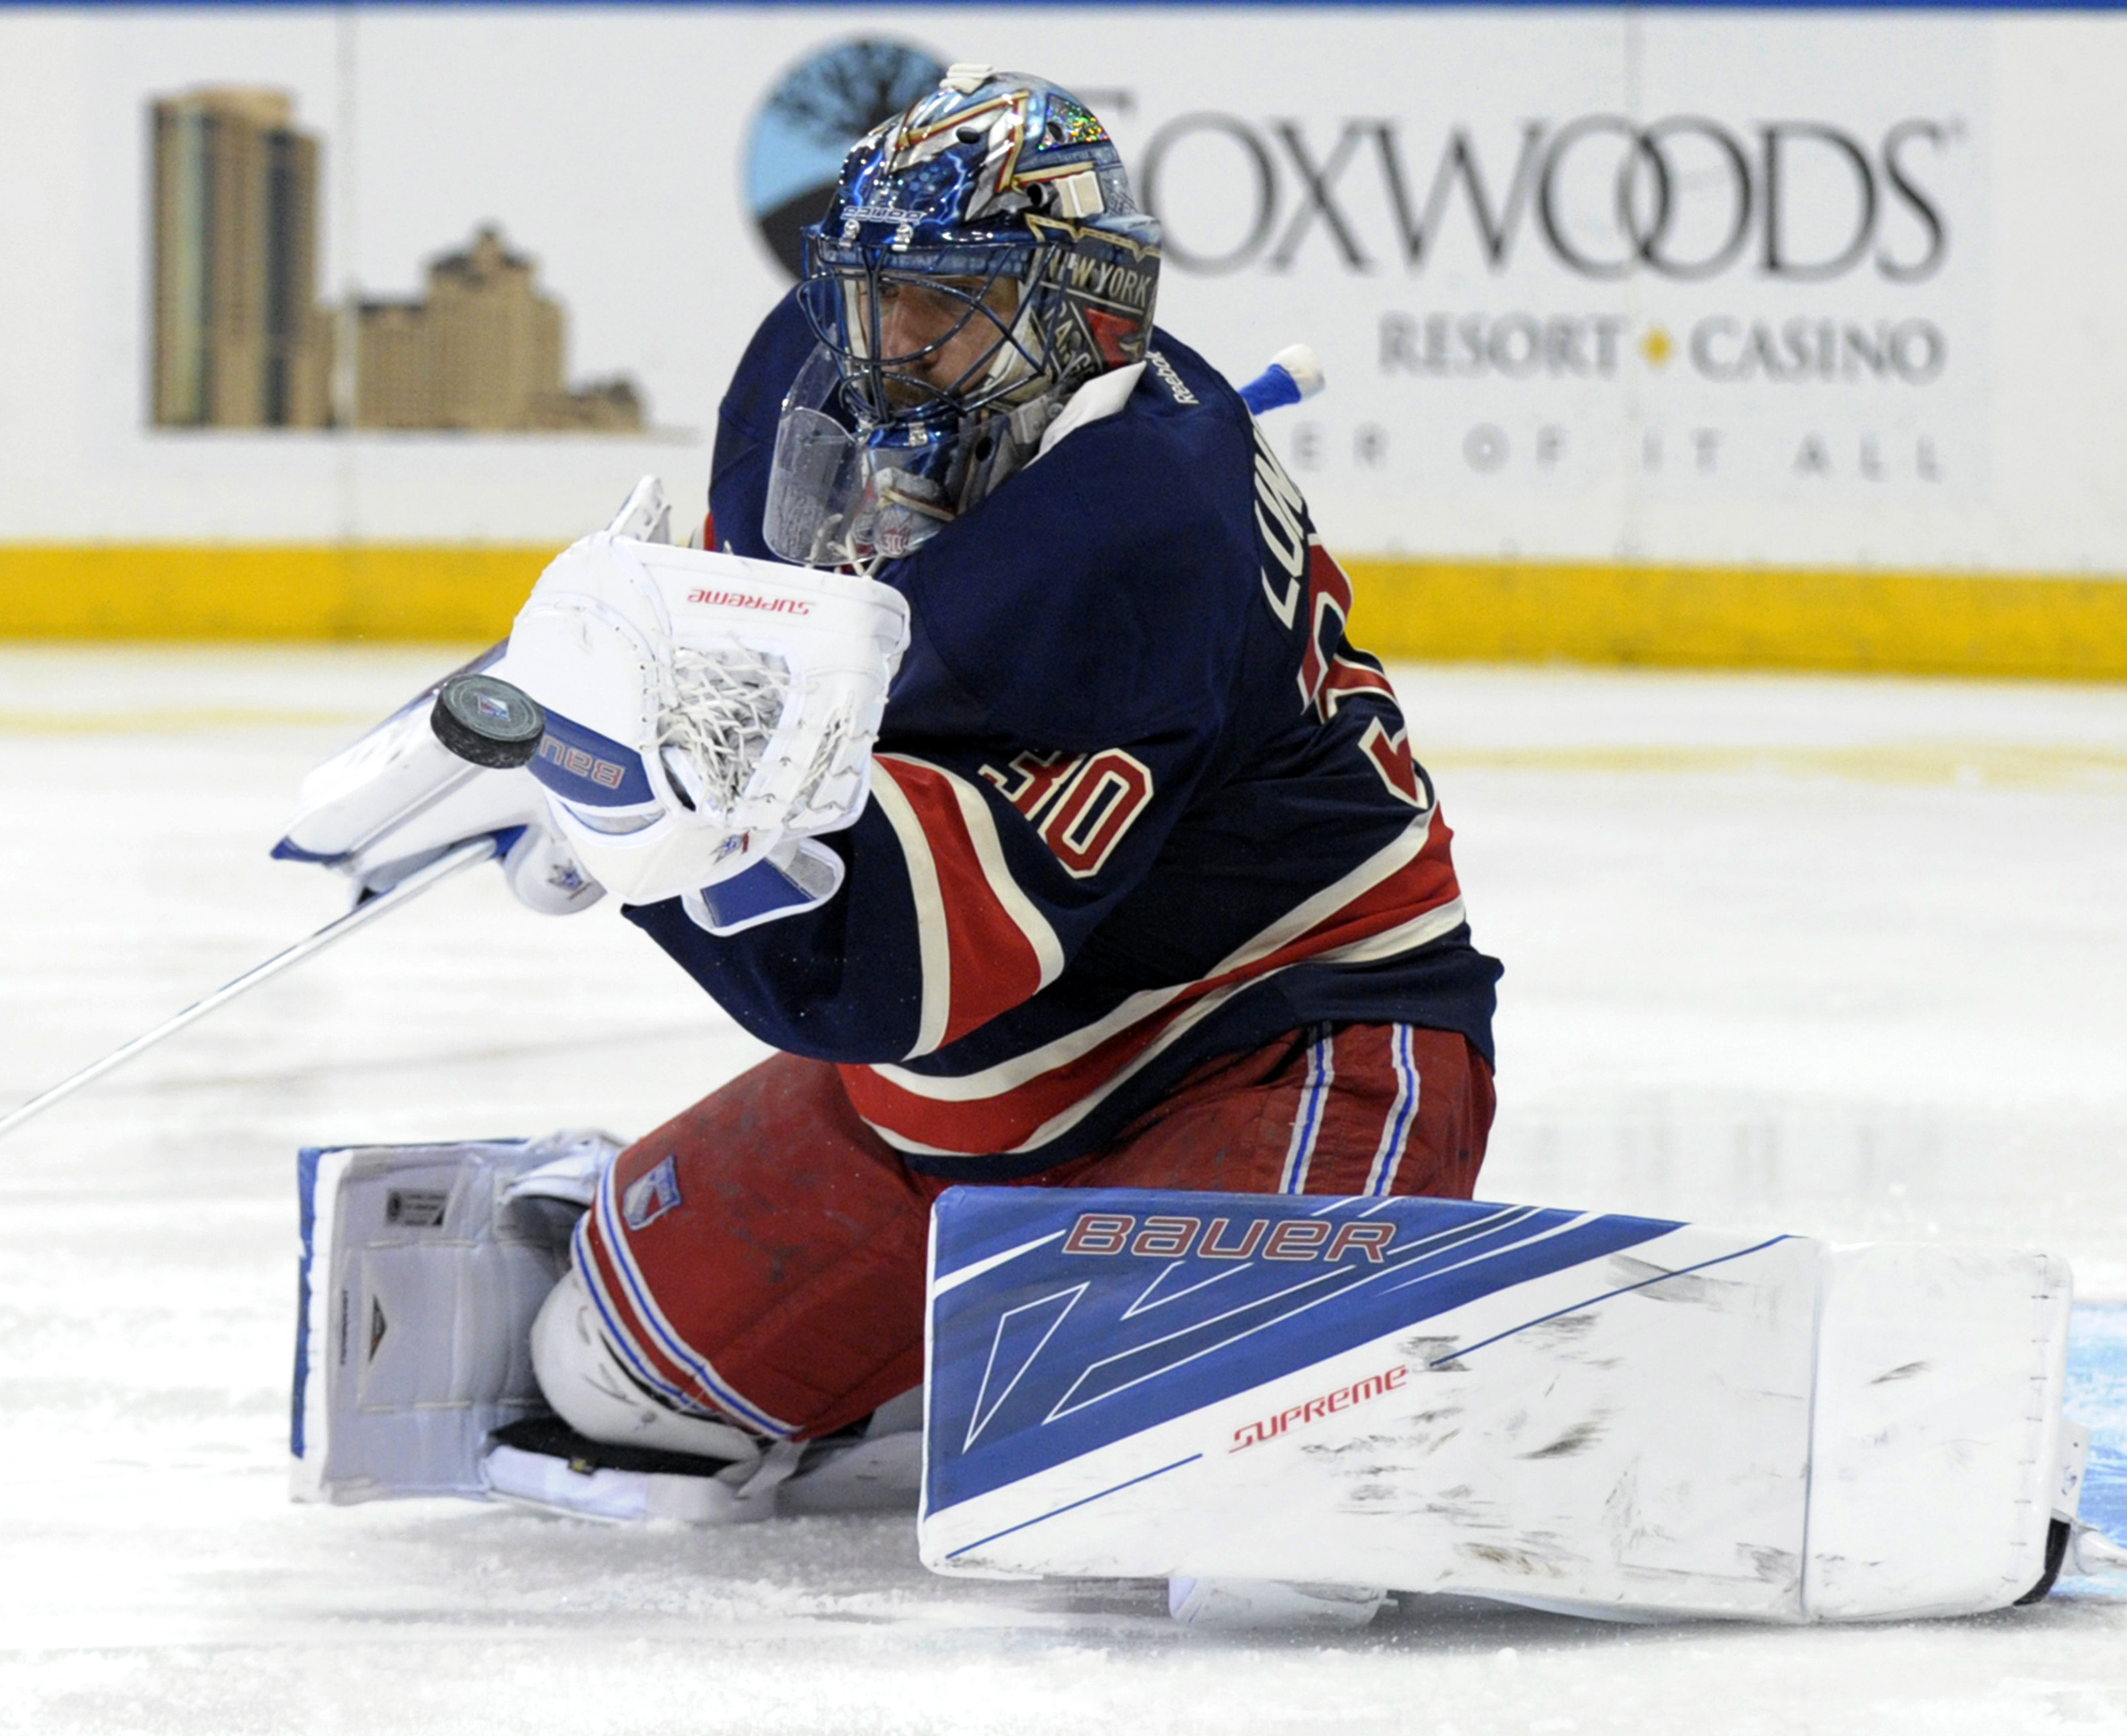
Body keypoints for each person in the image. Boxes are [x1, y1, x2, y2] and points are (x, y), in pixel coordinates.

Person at [511, 65, 1506, 1475]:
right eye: (873, 293)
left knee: (1230, 1452)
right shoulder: (806, 371)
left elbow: (893, 977)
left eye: (950, 303)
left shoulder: (1140, 523)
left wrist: (643, 852)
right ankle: (953, 1346)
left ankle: (1090, 1339)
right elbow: (759, 699)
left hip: (1265, 1028)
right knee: (615, 1380)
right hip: (978, 1079)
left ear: (1079, 312)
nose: (889, 345)